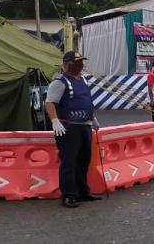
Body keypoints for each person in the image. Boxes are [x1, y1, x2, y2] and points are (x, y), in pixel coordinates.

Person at [45, 51, 102, 208]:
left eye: (81, 62)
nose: (80, 65)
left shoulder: (83, 80)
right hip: (69, 127)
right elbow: (50, 102)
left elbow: (87, 102)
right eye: (76, 62)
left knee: (83, 161)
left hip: (85, 125)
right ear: (66, 64)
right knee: (69, 162)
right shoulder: (60, 81)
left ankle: (83, 191)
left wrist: (93, 118)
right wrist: (55, 121)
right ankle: (68, 195)